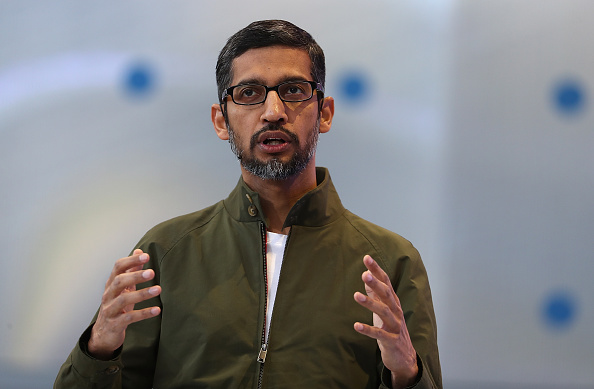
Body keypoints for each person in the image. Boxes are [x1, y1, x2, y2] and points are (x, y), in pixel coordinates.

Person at [54, 19, 441, 389]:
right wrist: (99, 349)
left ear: (324, 113)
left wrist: (406, 374)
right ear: (221, 121)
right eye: (249, 93)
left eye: (293, 90)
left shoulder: (390, 262)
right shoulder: (165, 251)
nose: (273, 112)